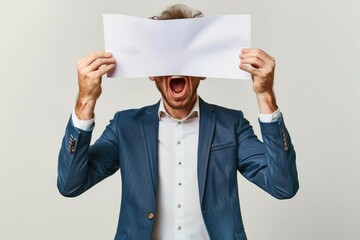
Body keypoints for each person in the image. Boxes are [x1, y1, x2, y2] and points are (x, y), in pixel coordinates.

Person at [57, 4, 299, 240]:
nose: (176, 65)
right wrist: (85, 100)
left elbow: (283, 186)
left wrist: (265, 95)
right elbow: (70, 185)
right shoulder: (125, 126)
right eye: (165, 55)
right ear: (150, 71)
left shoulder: (231, 124)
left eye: (186, 54)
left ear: (203, 69)